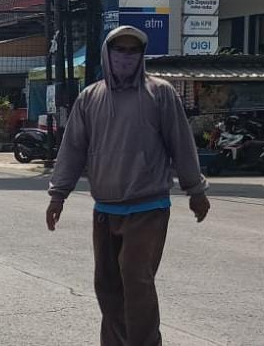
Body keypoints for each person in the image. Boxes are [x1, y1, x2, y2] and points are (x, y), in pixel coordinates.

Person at [45, 26, 211, 346]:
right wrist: (58, 196)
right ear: (107, 53)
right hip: (105, 207)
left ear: (142, 55)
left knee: (136, 281)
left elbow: (181, 143)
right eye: (119, 49)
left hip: (148, 206)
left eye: (133, 50)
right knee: (107, 287)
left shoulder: (160, 93)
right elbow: (73, 149)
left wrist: (195, 190)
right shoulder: (90, 97)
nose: (126, 56)